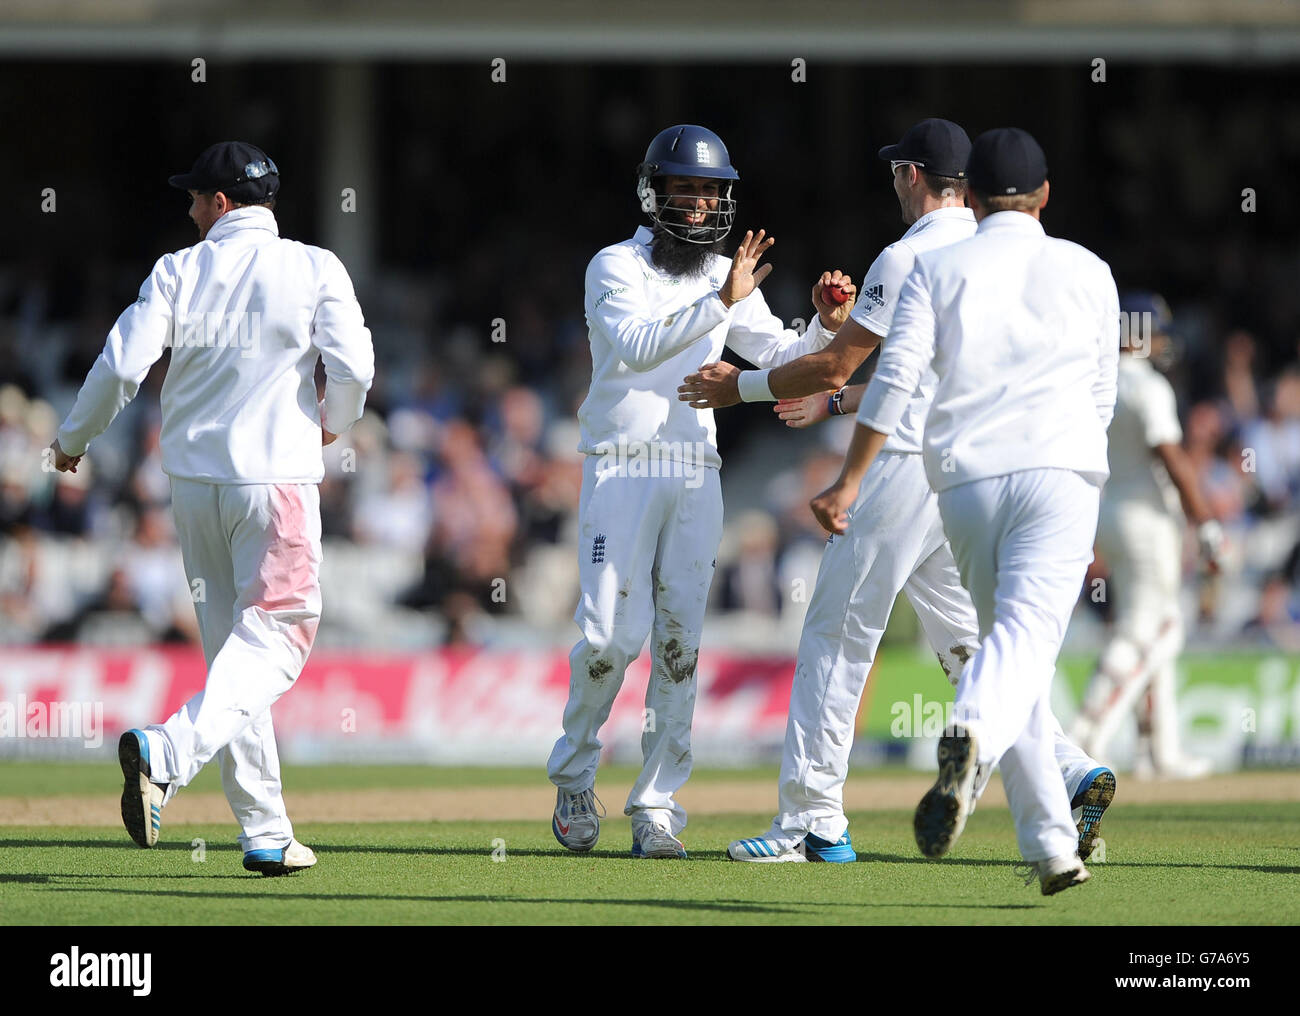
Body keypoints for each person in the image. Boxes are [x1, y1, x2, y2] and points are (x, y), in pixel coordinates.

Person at [679, 119, 1113, 864]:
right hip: (973, 472)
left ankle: (810, 824)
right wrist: (836, 356)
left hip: (906, 465)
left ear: (916, 176)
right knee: (969, 646)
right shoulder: (1021, 258)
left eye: (895, 174)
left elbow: (835, 369)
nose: (893, 187)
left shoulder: (912, 256)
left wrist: (739, 388)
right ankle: (1068, 771)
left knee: (836, 634)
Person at [49, 141, 374, 875]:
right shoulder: (315, 266)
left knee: (238, 655)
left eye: (196, 198)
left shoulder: (177, 270)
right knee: (279, 636)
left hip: (194, 487)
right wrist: (334, 422)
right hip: (278, 480)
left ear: (220, 203)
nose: (191, 209)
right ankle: (168, 750)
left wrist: (73, 440)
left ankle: (264, 829)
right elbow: (354, 366)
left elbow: (121, 365)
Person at [810, 128, 1119, 894]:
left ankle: (1050, 846)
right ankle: (970, 732)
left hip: (966, 481)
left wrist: (848, 481)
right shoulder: (1090, 269)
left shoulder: (937, 266)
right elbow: (1103, 393)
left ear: (972, 196)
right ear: (1045, 195)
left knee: (1001, 647)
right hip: (1060, 472)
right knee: (1016, 649)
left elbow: (893, 384)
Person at [548, 124, 855, 859]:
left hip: (695, 469)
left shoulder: (724, 273)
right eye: (686, 189)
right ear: (654, 194)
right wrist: (723, 298)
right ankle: (574, 774)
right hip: (621, 465)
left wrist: (824, 323)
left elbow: (780, 353)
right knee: (608, 640)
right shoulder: (613, 266)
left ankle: (656, 806)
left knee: (680, 644)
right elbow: (641, 346)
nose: (699, 205)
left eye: (711, 192)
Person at [1072, 293, 1222, 777]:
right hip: (1147, 520)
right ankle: (1085, 734)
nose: (1162, 340)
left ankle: (1158, 750)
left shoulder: (1098, 383)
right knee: (1153, 628)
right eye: (1156, 331)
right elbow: (1171, 457)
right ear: (1139, 332)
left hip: (1109, 511)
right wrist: (1207, 523)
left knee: (1156, 625)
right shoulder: (1148, 387)